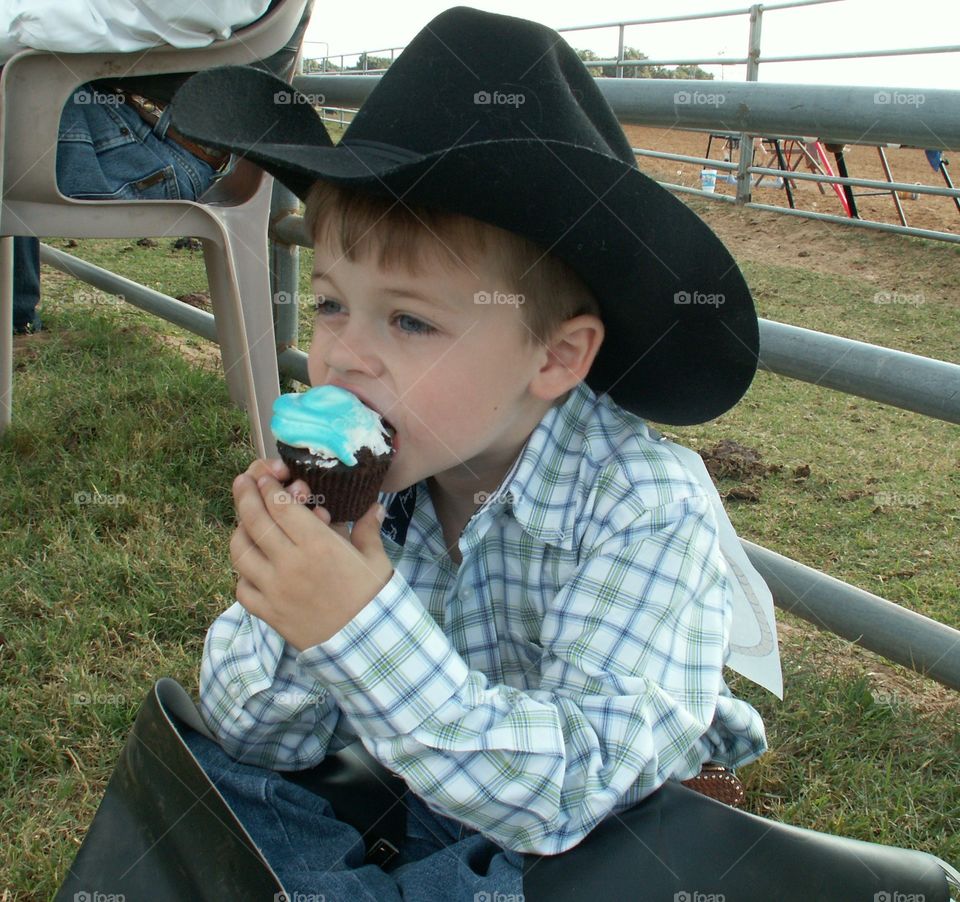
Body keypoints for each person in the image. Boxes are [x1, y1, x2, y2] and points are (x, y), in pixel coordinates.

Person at [166, 7, 771, 900]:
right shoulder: (387, 479)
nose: (341, 358)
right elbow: (258, 738)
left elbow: (571, 786)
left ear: (556, 358)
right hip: (426, 774)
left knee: (493, 873)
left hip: (597, 816)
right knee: (219, 793)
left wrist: (358, 628)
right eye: (332, 304)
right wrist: (298, 600)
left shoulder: (642, 505)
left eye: (410, 320)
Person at [1, 0, 310, 333]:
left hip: (153, 139)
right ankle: (17, 314)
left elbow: (110, 18)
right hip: (140, 124)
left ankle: (17, 313)